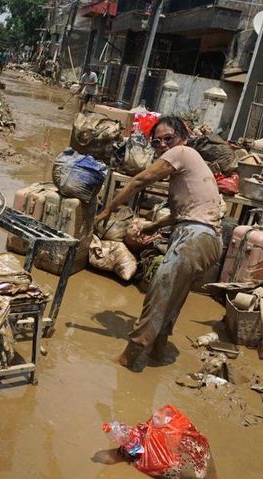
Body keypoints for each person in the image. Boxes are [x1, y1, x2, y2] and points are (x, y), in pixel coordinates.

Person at [95, 116, 225, 369]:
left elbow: (139, 181)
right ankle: (159, 349)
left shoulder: (183, 152)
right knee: (174, 296)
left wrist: (107, 210)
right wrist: (153, 226)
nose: (164, 146)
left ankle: (130, 358)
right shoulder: (189, 167)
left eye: (169, 139)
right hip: (205, 239)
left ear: (183, 139)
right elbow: (182, 214)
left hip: (196, 237)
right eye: (157, 142)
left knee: (161, 291)